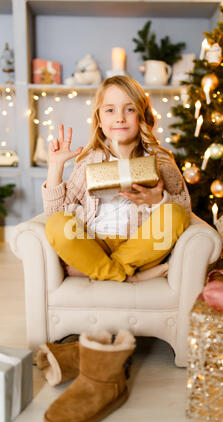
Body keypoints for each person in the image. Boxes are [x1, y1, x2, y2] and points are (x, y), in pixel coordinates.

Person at [42, 75, 191, 283]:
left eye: (129, 109)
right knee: (57, 225)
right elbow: (55, 214)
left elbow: (184, 210)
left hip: (141, 247)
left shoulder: (161, 161)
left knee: (174, 214)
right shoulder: (88, 161)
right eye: (110, 110)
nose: (120, 117)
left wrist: (156, 201)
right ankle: (126, 276)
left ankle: (102, 270)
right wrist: (55, 166)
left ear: (142, 116)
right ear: (99, 120)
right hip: (95, 245)